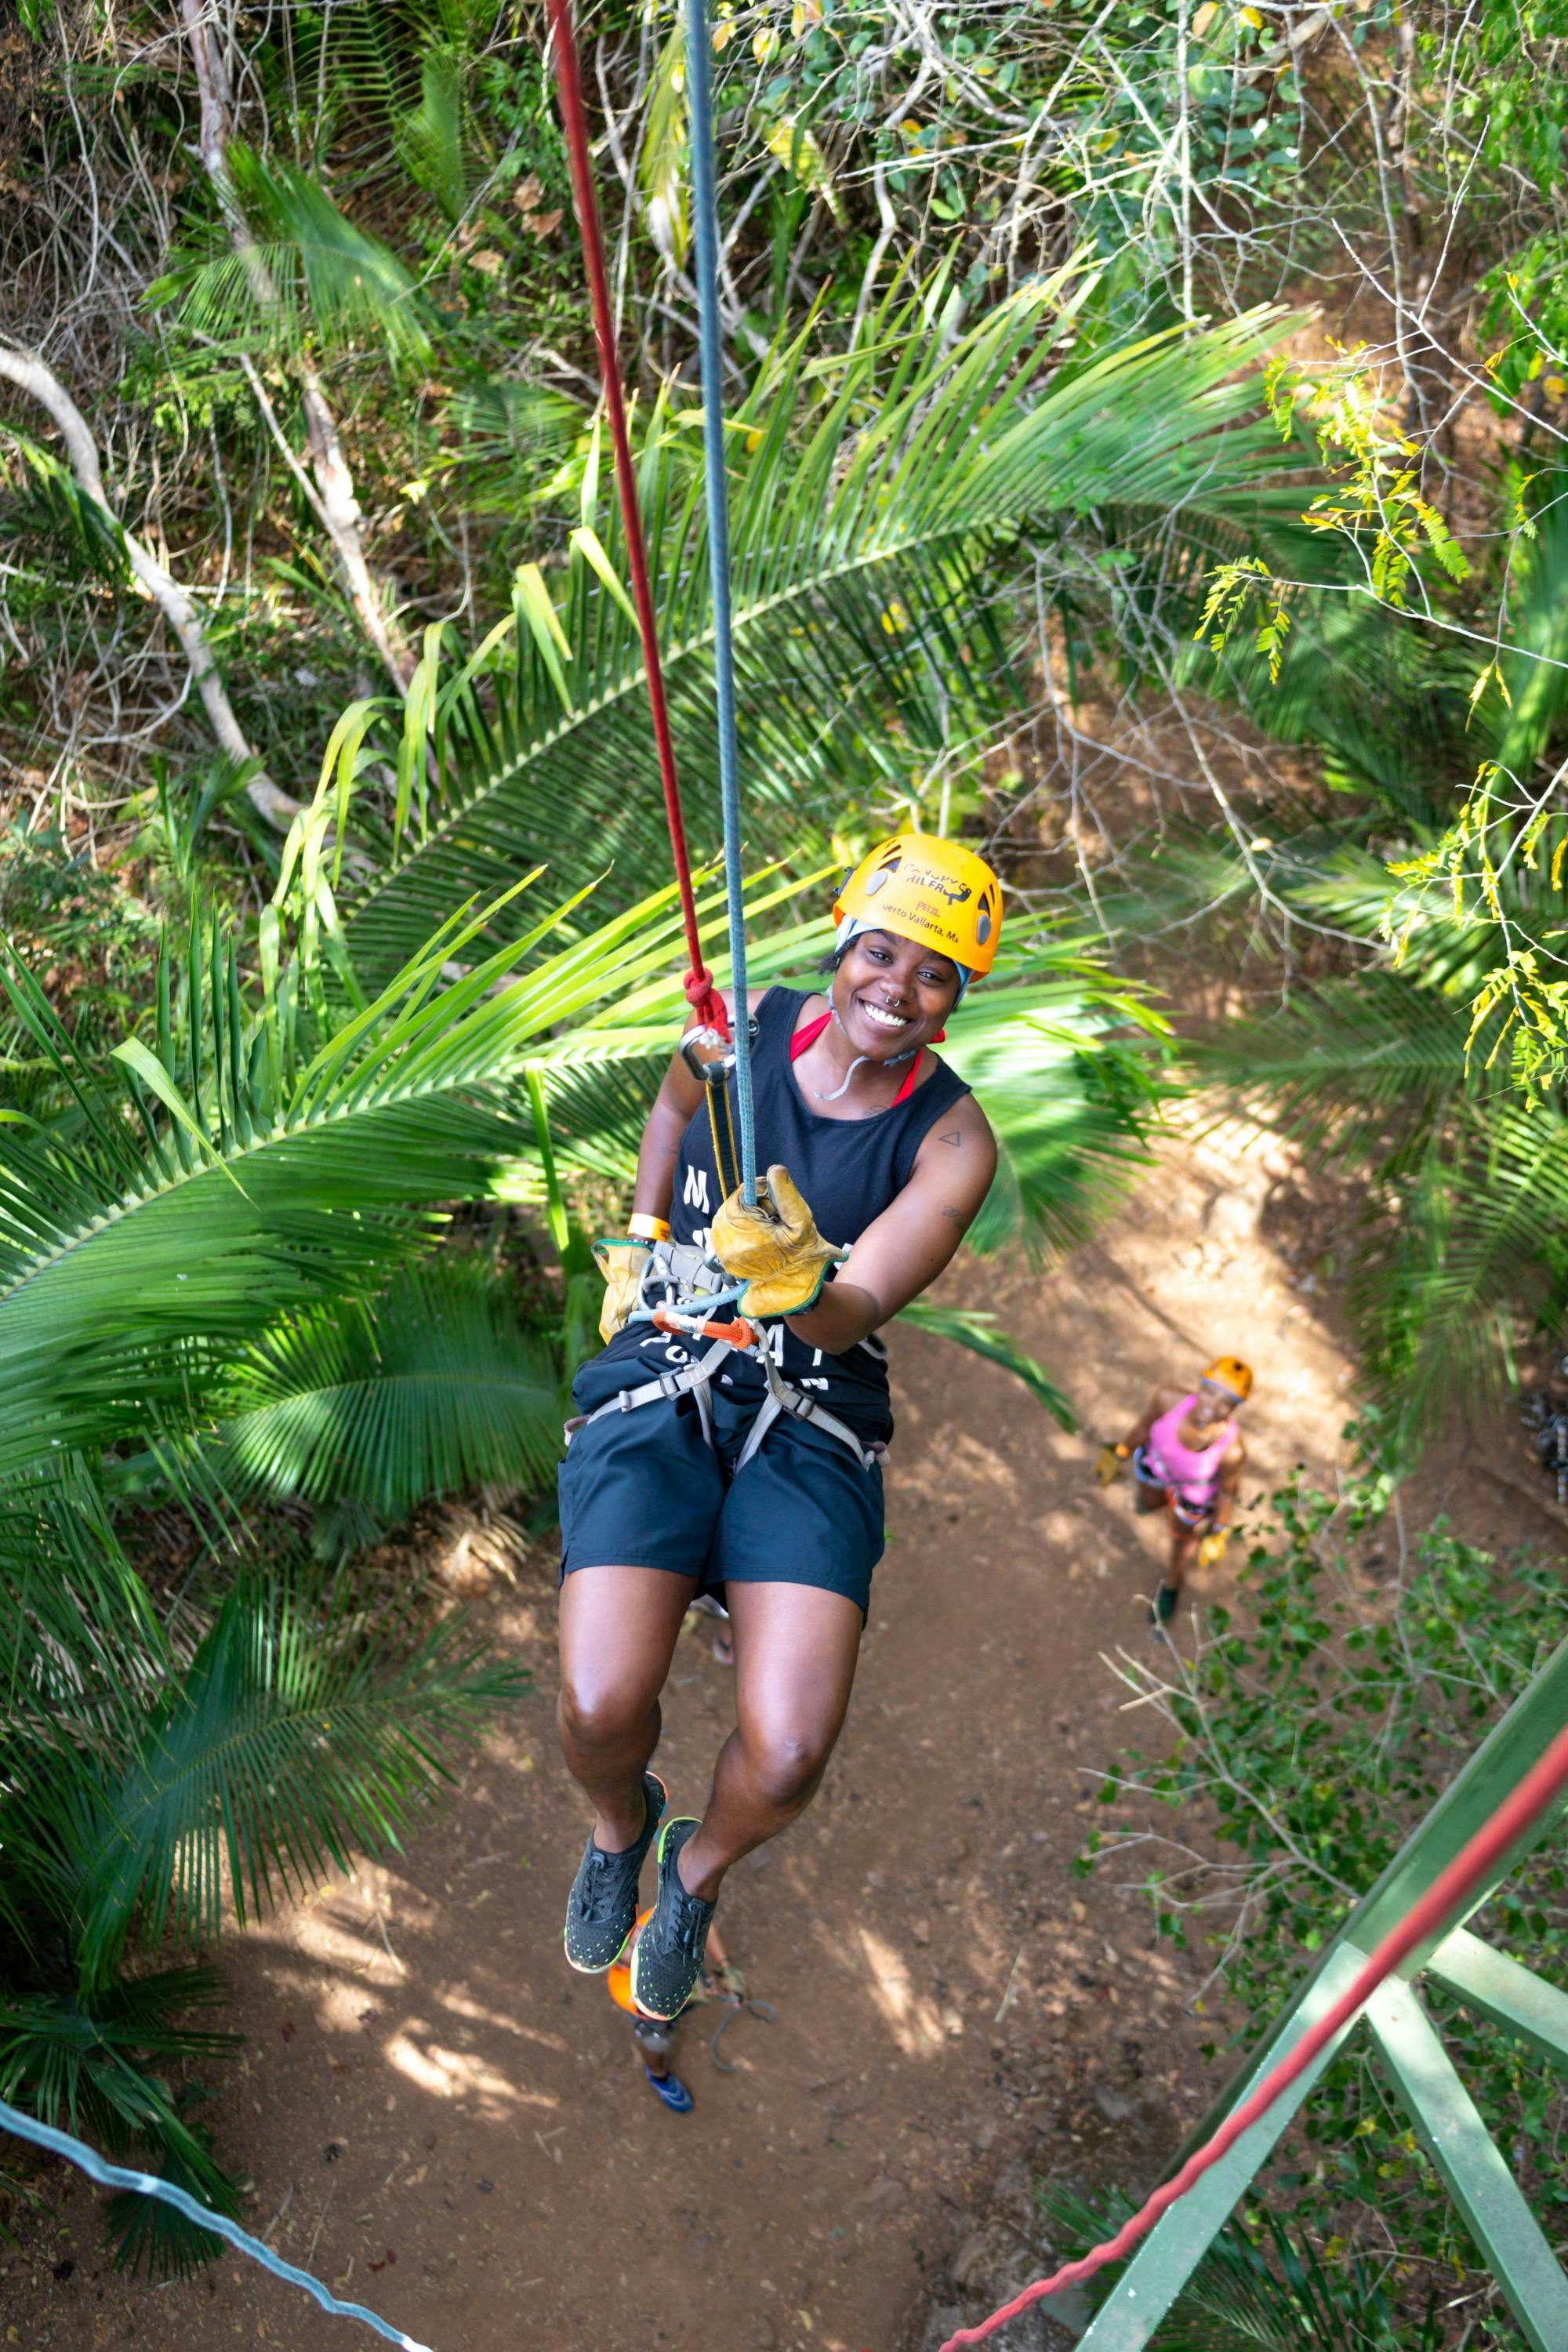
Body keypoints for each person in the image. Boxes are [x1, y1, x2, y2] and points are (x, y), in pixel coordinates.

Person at [555, 834, 1004, 2023]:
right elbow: (668, 1112)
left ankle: (690, 1876)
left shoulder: (952, 1143)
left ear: (957, 999)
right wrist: (645, 1237)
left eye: (934, 973)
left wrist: (804, 1279)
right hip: (674, 1351)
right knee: (599, 1705)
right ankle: (620, 1828)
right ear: (843, 942)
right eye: (880, 951)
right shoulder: (747, 1023)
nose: (895, 988)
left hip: (814, 1402)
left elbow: (859, 1307)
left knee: (794, 1745)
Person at [1097, 1358, 1251, 1628]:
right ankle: (1150, 1504)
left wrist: (1218, 1530)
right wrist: (1120, 1452)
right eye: (1209, 1391)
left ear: (1235, 1408)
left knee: (1182, 1538)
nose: (1212, 1405)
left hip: (1193, 1494)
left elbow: (1227, 1492)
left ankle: (1172, 1583)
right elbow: (1144, 1427)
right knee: (1149, 1499)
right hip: (1156, 1467)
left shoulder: (1231, 1451)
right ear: (1199, 1386)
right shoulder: (1168, 1400)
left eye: (1225, 1402)